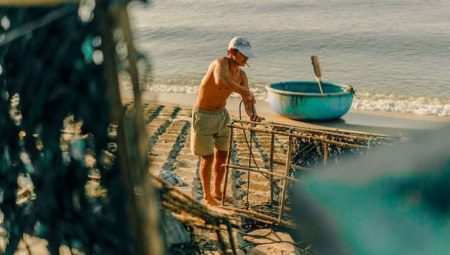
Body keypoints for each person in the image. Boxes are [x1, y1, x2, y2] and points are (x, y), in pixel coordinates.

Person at [190, 36, 265, 206]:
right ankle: (207, 196)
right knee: (207, 158)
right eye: (243, 55)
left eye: (248, 55)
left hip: (222, 115)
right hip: (203, 114)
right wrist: (244, 91)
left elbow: (248, 100)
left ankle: (217, 191)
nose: (246, 58)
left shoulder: (242, 74)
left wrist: (252, 114)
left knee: (223, 155)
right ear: (232, 52)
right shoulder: (220, 63)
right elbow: (221, 81)